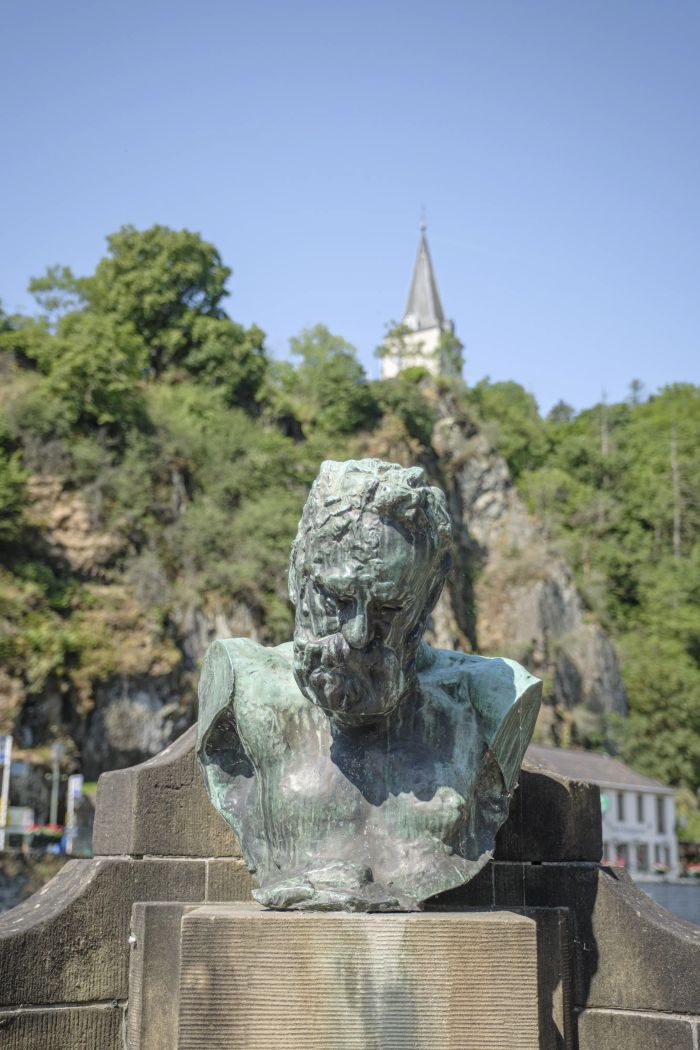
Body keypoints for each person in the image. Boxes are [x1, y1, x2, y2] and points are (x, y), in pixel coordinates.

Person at [198, 459, 541, 911]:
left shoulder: (492, 697)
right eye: (336, 600)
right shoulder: (242, 685)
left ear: (428, 597)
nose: (358, 634)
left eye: (388, 608)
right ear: (297, 576)